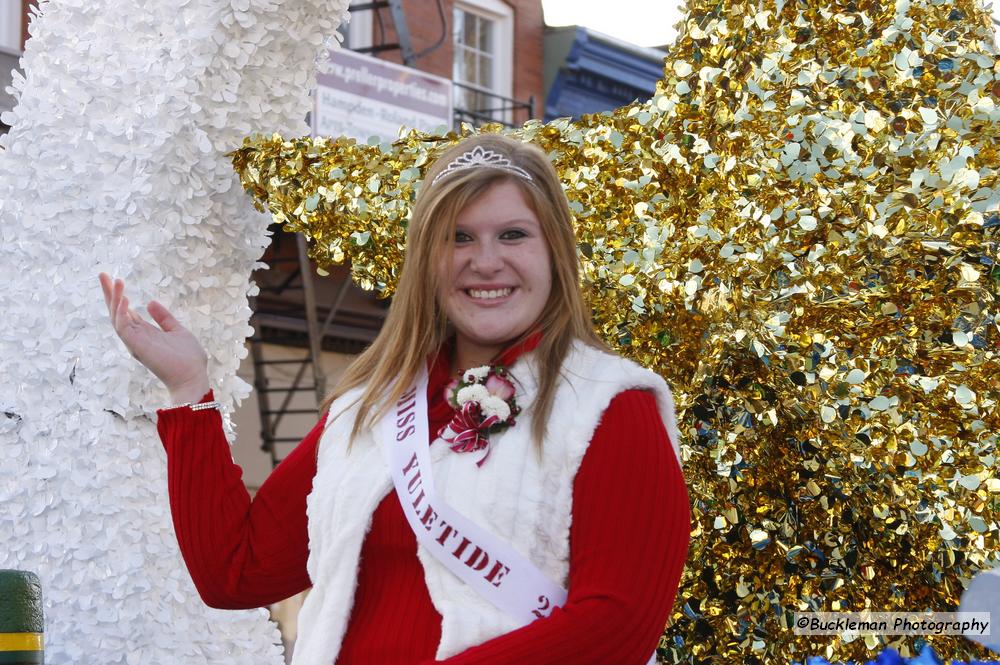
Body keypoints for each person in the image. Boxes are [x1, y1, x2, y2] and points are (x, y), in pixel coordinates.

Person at [98, 133, 690, 665]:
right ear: (426, 261)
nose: (486, 261)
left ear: (554, 253)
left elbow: (618, 628)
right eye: (458, 237)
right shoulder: (368, 403)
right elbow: (237, 571)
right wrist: (187, 390)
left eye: (513, 234)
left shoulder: (611, 403)